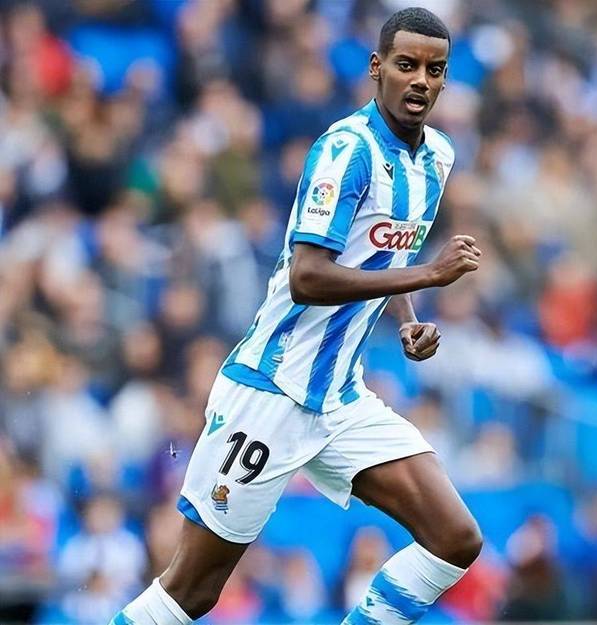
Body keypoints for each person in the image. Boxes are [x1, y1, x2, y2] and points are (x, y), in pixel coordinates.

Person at [110, 8, 483, 625]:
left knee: (455, 538)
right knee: (192, 591)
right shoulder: (346, 151)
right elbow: (308, 277)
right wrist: (429, 276)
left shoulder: (437, 157)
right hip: (270, 392)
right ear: (377, 67)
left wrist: (407, 316)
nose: (420, 80)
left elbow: (385, 251)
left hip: (339, 399)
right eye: (406, 64)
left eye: (434, 70)